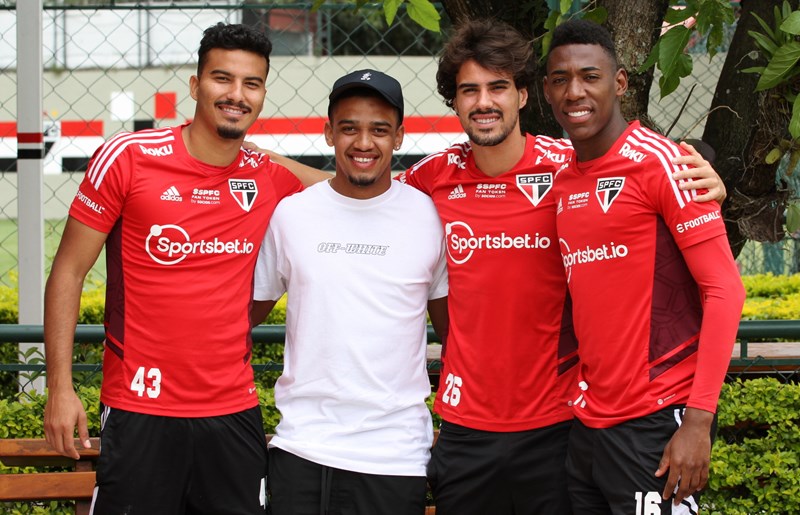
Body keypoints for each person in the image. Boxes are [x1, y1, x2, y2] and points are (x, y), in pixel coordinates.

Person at [256, 19, 725, 515]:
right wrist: (249, 157)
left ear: (523, 95)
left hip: (558, 425)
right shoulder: (432, 180)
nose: (484, 102)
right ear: (454, 102)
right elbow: (353, 185)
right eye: (469, 90)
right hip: (465, 434)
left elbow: (647, 180)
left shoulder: (572, 166)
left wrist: (708, 178)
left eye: (498, 87)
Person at [42, 22, 304, 514]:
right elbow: (67, 274)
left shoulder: (267, 176)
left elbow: (349, 186)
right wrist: (60, 387)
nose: (236, 94)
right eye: (222, 79)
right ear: (195, 84)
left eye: (252, 84)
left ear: (264, 93)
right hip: (140, 407)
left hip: (233, 410)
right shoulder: (129, 157)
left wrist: (254, 153)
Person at [543, 18, 745, 514]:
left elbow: (725, 290)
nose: (575, 92)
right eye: (560, 79)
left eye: (590, 76)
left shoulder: (666, 164)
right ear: (545, 90)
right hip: (588, 425)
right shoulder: (563, 179)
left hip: (659, 420)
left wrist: (698, 422)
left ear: (620, 83)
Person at [250, 69, 449, 515]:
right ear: (328, 133)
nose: (364, 143)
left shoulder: (429, 217)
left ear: (399, 136)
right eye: (349, 128)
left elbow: (455, 333)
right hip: (301, 449)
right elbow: (242, 313)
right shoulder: (291, 216)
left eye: (379, 129)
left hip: (394, 458)